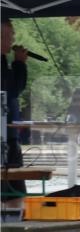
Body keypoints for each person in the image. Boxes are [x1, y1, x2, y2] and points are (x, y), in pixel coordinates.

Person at [1, 18, 28, 175]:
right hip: (4, 135)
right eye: (10, 35)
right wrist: (19, 63)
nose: (13, 39)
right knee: (12, 191)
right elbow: (12, 90)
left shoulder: (3, 61)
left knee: (15, 191)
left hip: (9, 133)